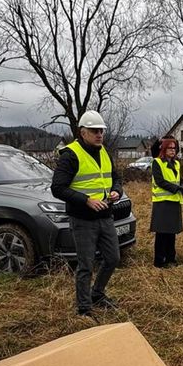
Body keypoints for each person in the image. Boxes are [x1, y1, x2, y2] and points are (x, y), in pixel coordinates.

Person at [51, 110, 123, 315]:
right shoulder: (70, 155)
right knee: (86, 265)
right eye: (94, 131)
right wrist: (86, 201)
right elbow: (57, 188)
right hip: (82, 219)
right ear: (83, 132)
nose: (99, 134)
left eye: (101, 131)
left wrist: (117, 190)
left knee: (113, 259)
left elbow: (116, 178)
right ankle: (84, 308)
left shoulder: (104, 152)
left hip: (105, 216)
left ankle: (97, 293)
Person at [150, 137, 183, 267]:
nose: (173, 150)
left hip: (174, 202)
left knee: (171, 233)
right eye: (170, 148)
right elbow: (160, 182)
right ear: (164, 149)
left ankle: (171, 259)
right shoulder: (157, 163)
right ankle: (159, 261)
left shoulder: (176, 164)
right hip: (162, 203)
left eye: (174, 148)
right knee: (162, 233)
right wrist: (178, 188)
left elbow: (179, 180)